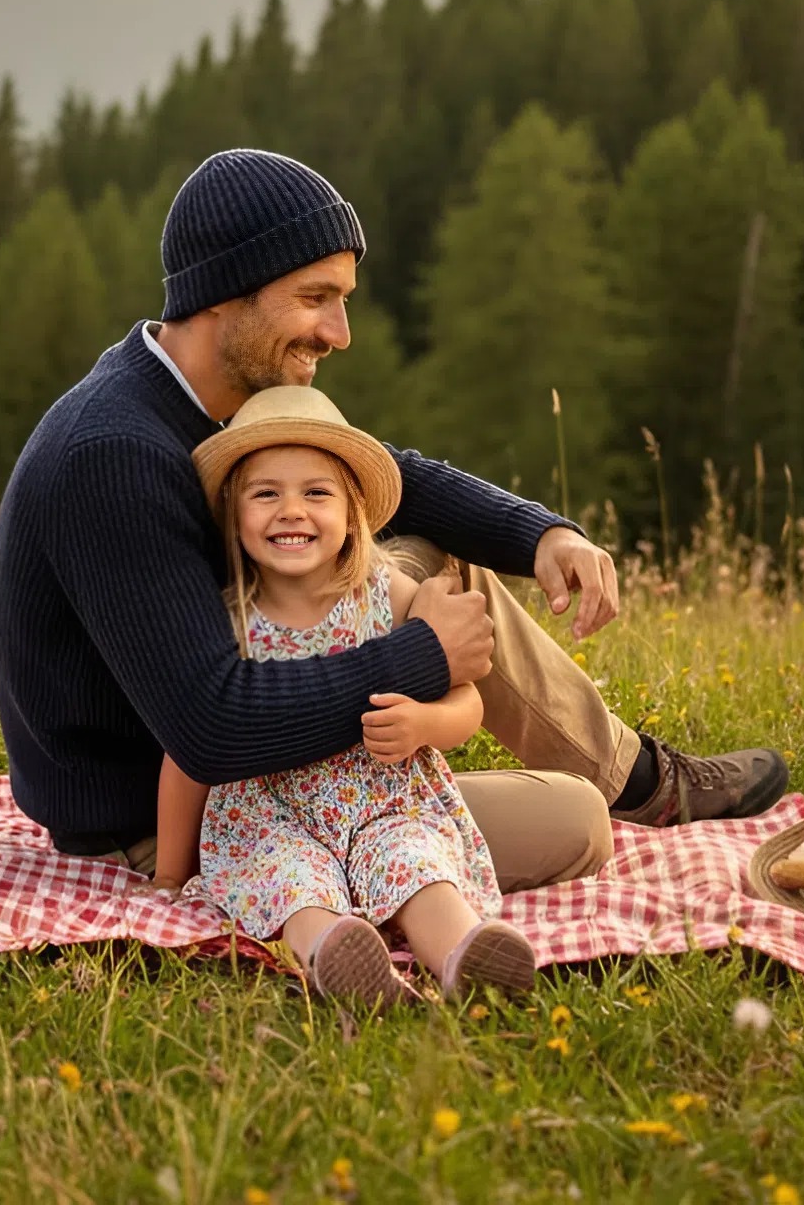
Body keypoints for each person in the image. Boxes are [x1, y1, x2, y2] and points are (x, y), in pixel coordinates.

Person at [0, 148, 788, 892]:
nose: (339, 333)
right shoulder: (112, 456)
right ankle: (620, 794)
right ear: (224, 293)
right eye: (315, 299)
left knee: (425, 562)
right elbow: (209, 728)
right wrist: (419, 657)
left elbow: (392, 478)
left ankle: (642, 783)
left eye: (342, 301)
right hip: (172, 822)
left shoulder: (203, 399)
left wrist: (543, 533)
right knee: (573, 823)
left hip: (262, 772)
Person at [152, 386, 537, 1006]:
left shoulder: (389, 597)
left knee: (419, 865)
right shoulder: (228, 622)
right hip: (268, 817)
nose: (290, 511)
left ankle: (466, 955)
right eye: (266, 493)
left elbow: (470, 704)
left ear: (353, 506)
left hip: (386, 804)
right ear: (234, 511)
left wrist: (424, 724)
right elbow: (189, 750)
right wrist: (171, 874)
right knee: (291, 883)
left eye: (316, 492)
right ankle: (339, 956)